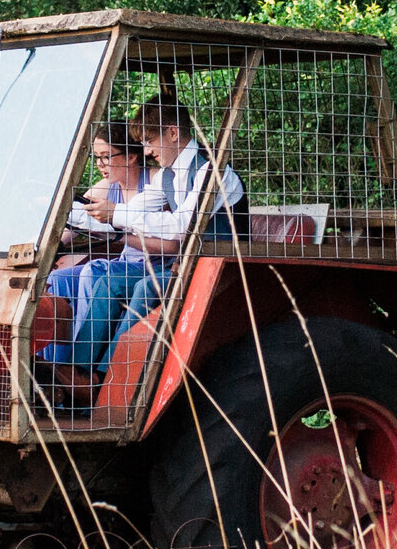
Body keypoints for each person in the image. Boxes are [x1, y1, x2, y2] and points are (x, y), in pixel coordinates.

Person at [39, 100, 245, 378]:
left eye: (150, 141)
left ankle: (109, 377)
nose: (146, 151)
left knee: (145, 287)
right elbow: (133, 211)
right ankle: (77, 372)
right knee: (109, 281)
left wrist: (116, 214)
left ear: (173, 132)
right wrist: (66, 212)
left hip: (216, 266)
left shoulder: (212, 172)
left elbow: (181, 226)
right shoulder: (167, 177)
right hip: (182, 266)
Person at [45, 122, 154, 305]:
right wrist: (46, 245)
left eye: (106, 157)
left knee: (92, 271)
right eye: (96, 157)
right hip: (125, 262)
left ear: (131, 156)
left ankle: (88, 333)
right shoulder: (106, 187)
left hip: (154, 265)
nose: (99, 164)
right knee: (58, 278)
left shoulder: (154, 180)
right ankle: (66, 332)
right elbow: (73, 221)